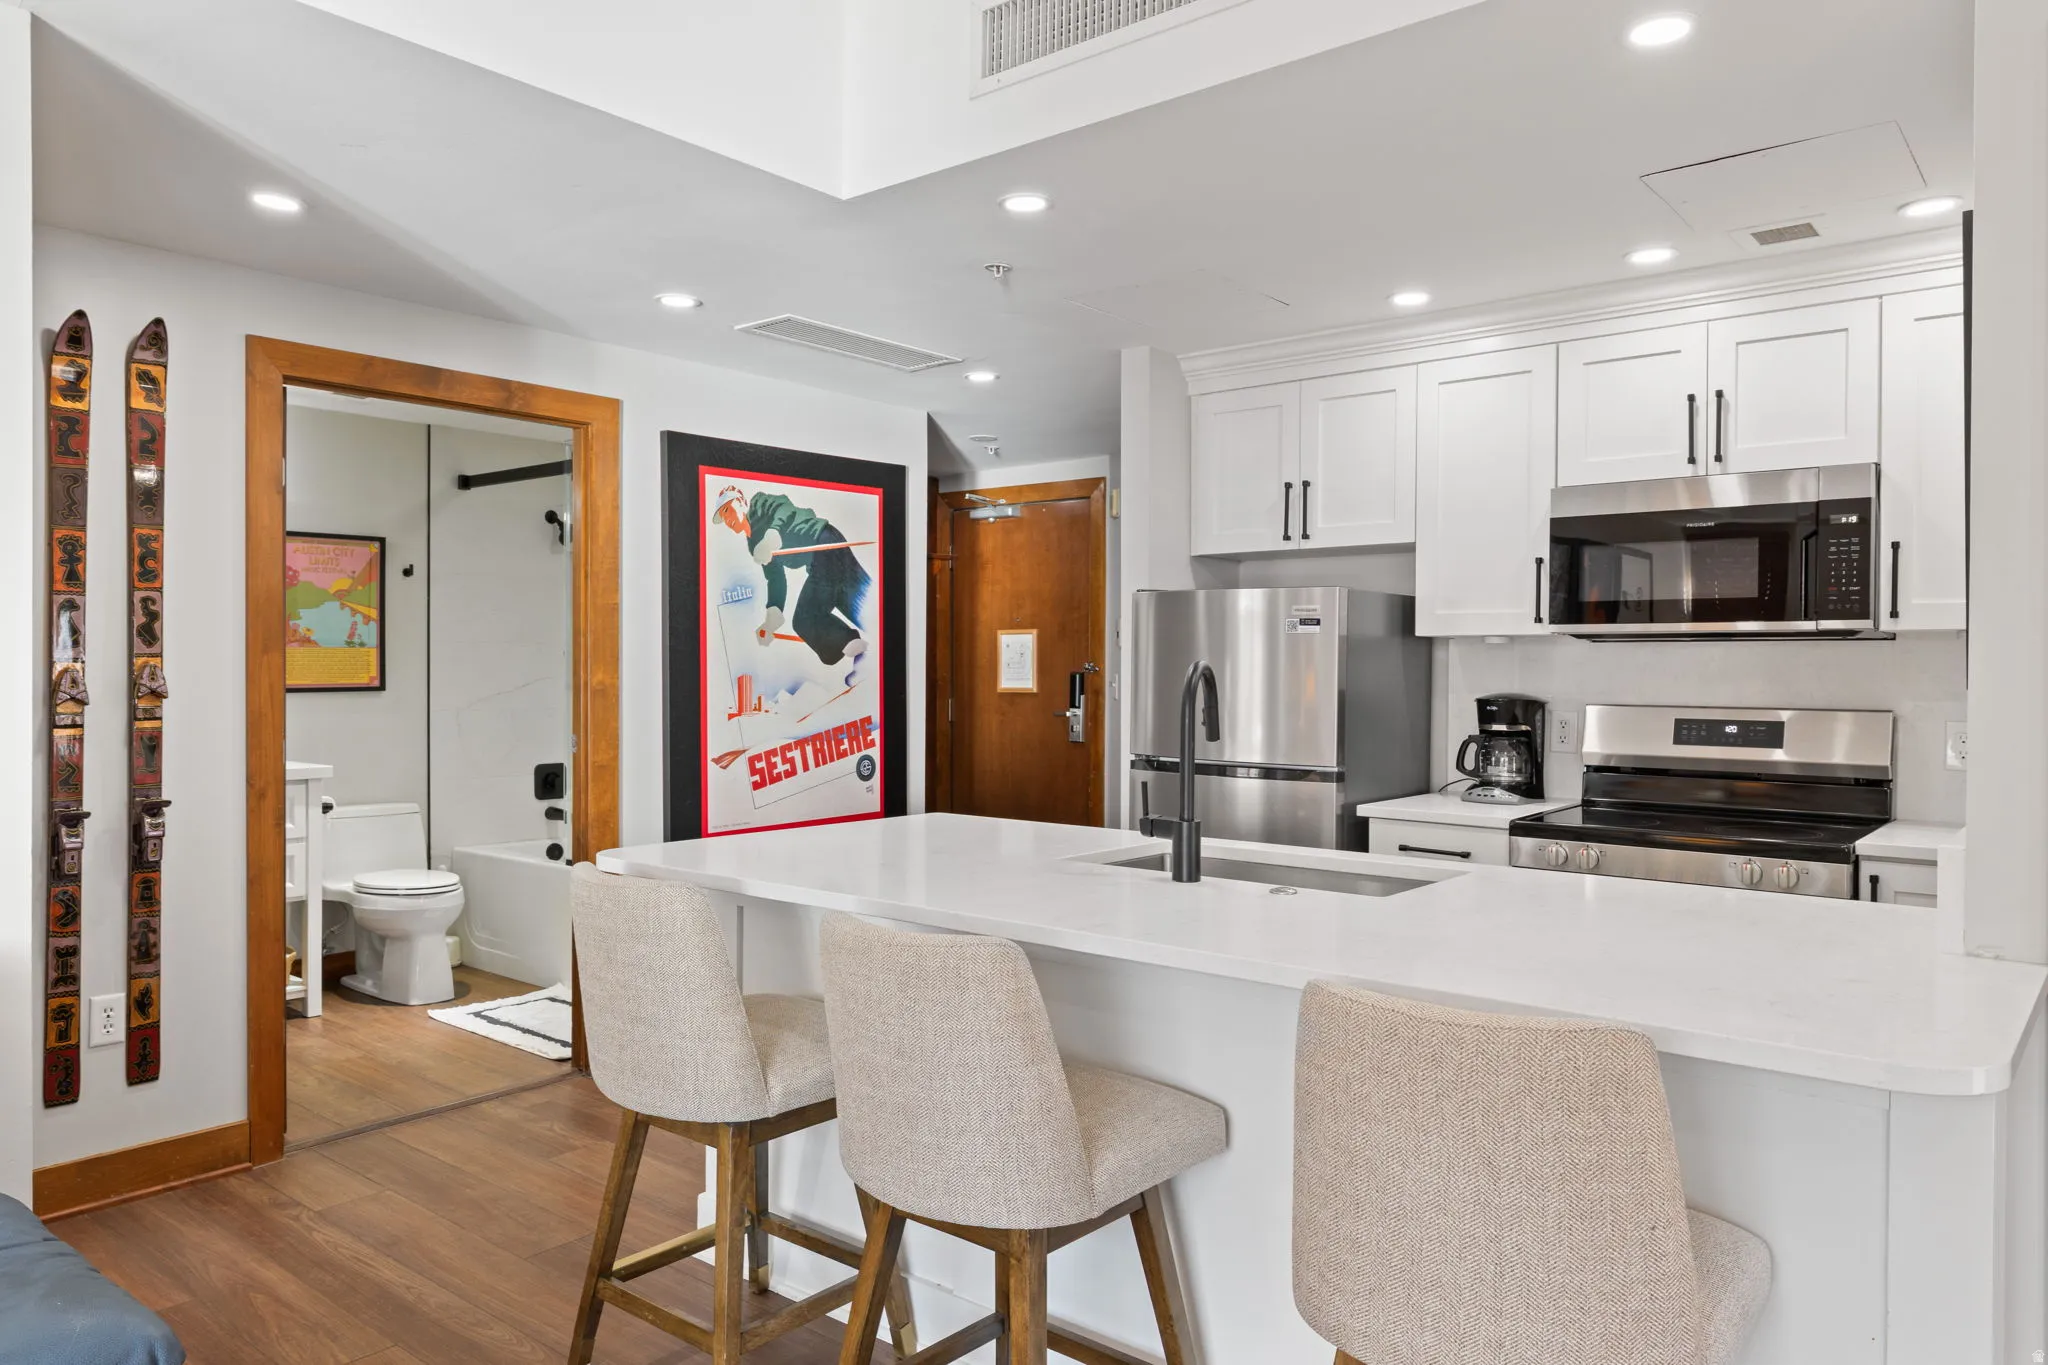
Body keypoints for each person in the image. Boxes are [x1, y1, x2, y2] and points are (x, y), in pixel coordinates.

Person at [713, 484, 870, 686]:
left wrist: (772, 535)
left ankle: (863, 656)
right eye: (723, 517)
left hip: (824, 543)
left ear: (741, 501)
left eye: (727, 510)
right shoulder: (754, 544)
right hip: (824, 558)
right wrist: (771, 619)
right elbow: (775, 578)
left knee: (806, 618)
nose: (727, 519)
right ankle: (882, 648)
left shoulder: (759, 504)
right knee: (860, 604)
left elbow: (784, 506)